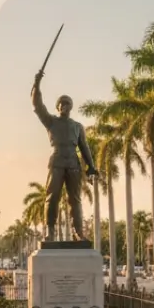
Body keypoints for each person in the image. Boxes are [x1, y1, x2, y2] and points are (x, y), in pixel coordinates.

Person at [30, 83, 98, 240]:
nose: (64, 106)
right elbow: (37, 105)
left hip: (73, 163)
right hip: (57, 161)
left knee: (75, 199)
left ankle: (78, 232)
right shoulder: (51, 121)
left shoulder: (77, 127)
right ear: (57, 107)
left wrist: (91, 166)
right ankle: (50, 231)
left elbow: (84, 147)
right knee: (52, 197)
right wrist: (37, 85)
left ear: (71, 107)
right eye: (61, 103)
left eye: (67, 104)